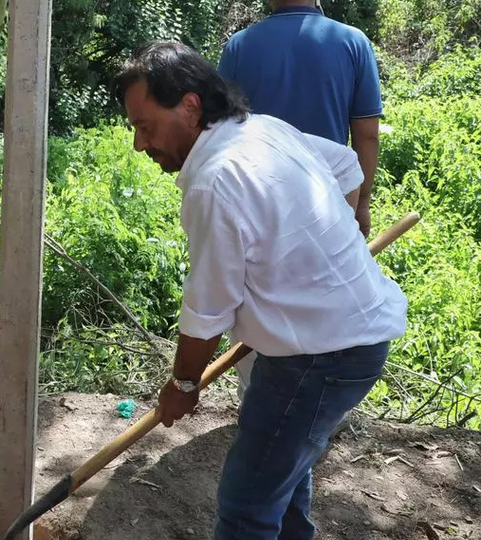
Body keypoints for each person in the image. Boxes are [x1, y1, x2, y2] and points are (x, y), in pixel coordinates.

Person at [114, 42, 407, 539]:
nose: (140, 145)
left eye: (145, 126)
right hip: (338, 340)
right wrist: (319, 253)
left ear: (189, 106)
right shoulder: (264, 130)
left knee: (247, 504)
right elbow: (345, 168)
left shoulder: (215, 179)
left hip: (321, 355)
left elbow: (208, 307)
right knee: (282, 476)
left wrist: (184, 385)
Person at [216, 0, 384, 403]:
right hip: (327, 201)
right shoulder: (353, 43)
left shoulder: (240, 46)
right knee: (326, 299)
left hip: (257, 200)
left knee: (258, 297)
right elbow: (367, 135)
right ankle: (319, 410)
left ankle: (255, 403)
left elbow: (219, 130)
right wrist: (362, 204)